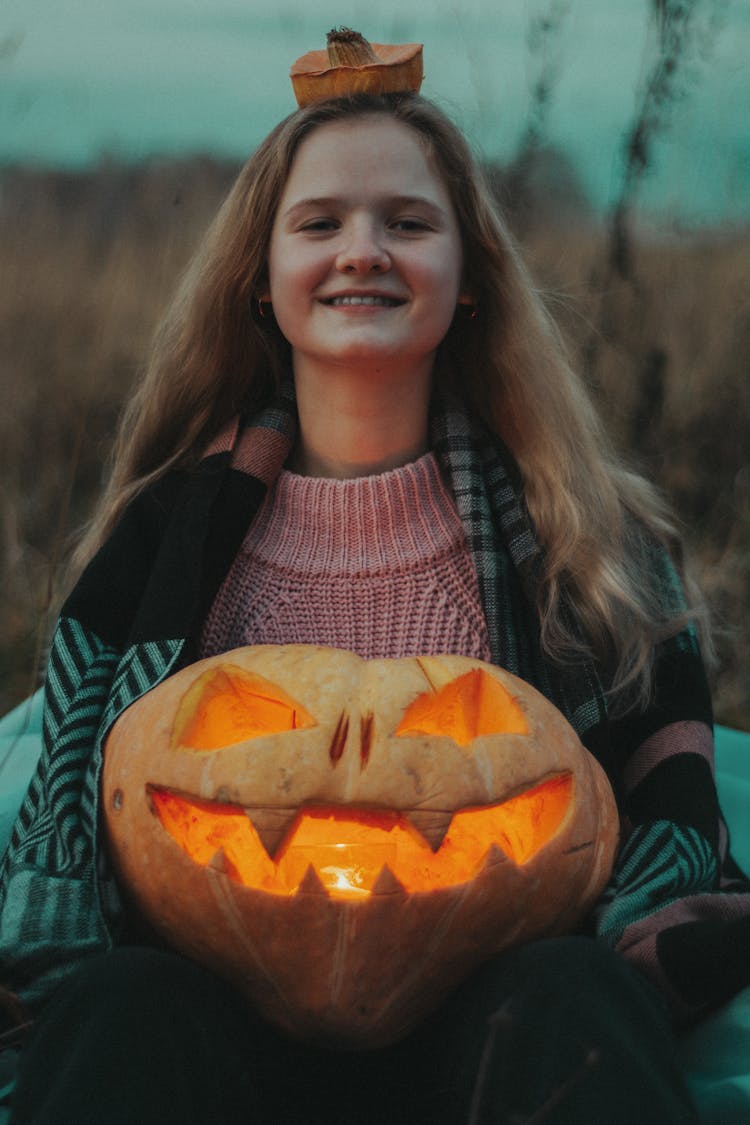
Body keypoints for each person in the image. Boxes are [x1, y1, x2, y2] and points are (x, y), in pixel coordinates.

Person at [1, 30, 748, 1125]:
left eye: (407, 222)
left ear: (469, 275)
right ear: (263, 280)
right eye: (320, 224)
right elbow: (106, 797)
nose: (364, 250)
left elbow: (657, 788)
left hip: (495, 1007)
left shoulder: (590, 541)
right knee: (121, 1010)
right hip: (219, 1015)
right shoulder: (164, 541)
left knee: (574, 998)